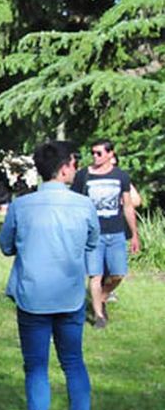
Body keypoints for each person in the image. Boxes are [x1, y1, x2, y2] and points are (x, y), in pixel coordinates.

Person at [0, 140, 99, 410]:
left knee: (36, 367)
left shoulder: (21, 205)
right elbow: (92, 243)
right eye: (75, 162)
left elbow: (5, 246)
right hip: (69, 295)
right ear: (66, 166)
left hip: (33, 296)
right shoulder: (84, 205)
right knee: (73, 362)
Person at [72, 139, 138, 328]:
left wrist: (134, 234)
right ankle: (99, 316)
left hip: (116, 232)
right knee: (95, 275)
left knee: (118, 274)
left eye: (99, 153)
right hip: (93, 234)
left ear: (110, 154)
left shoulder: (121, 176)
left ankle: (100, 298)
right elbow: (75, 203)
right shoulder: (83, 175)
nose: (95, 156)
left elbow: (127, 206)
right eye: (93, 153)